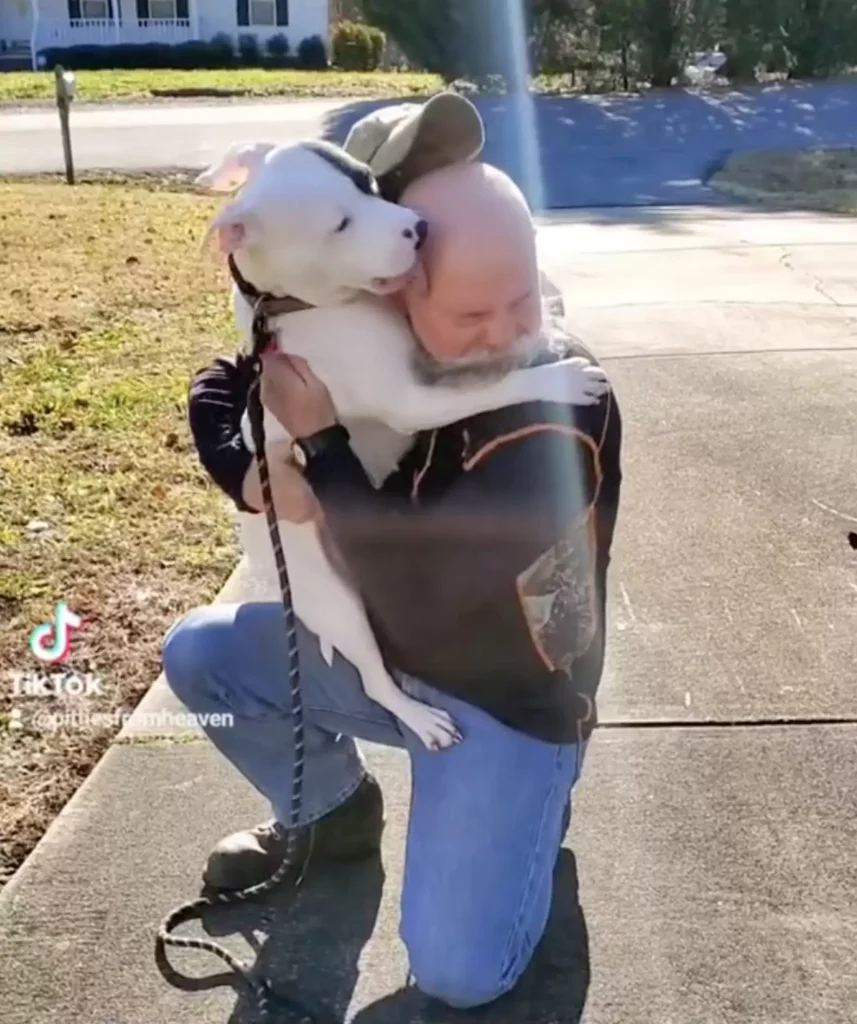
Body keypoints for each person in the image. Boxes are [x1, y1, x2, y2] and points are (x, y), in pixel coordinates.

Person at [162, 95, 622, 1010]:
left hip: (500, 698)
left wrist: (323, 449)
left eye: (522, 295)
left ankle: (528, 832)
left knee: (458, 971)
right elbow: (227, 372)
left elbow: (418, 588)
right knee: (203, 655)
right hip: (386, 659)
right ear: (384, 289)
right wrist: (245, 468)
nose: (507, 333)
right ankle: (332, 814)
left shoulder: (553, 413)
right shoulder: (367, 325)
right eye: (465, 312)